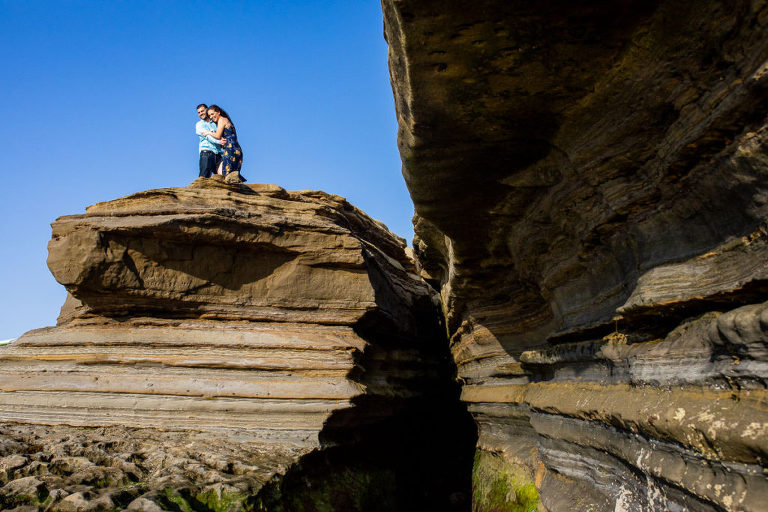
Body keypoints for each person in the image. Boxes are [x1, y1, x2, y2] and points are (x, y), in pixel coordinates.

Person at [202, 105, 246, 182]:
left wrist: (208, 132)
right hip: (235, 149)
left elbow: (217, 135)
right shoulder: (225, 120)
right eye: (209, 116)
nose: (211, 117)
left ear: (218, 112)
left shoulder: (221, 120)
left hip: (231, 149)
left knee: (226, 174)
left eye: (212, 114)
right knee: (227, 173)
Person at [195, 104, 222, 178]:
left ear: (207, 110)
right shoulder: (199, 125)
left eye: (202, 111)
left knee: (224, 174)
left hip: (218, 154)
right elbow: (208, 137)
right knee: (204, 177)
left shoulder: (215, 123)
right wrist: (219, 142)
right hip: (207, 153)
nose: (201, 113)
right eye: (199, 112)